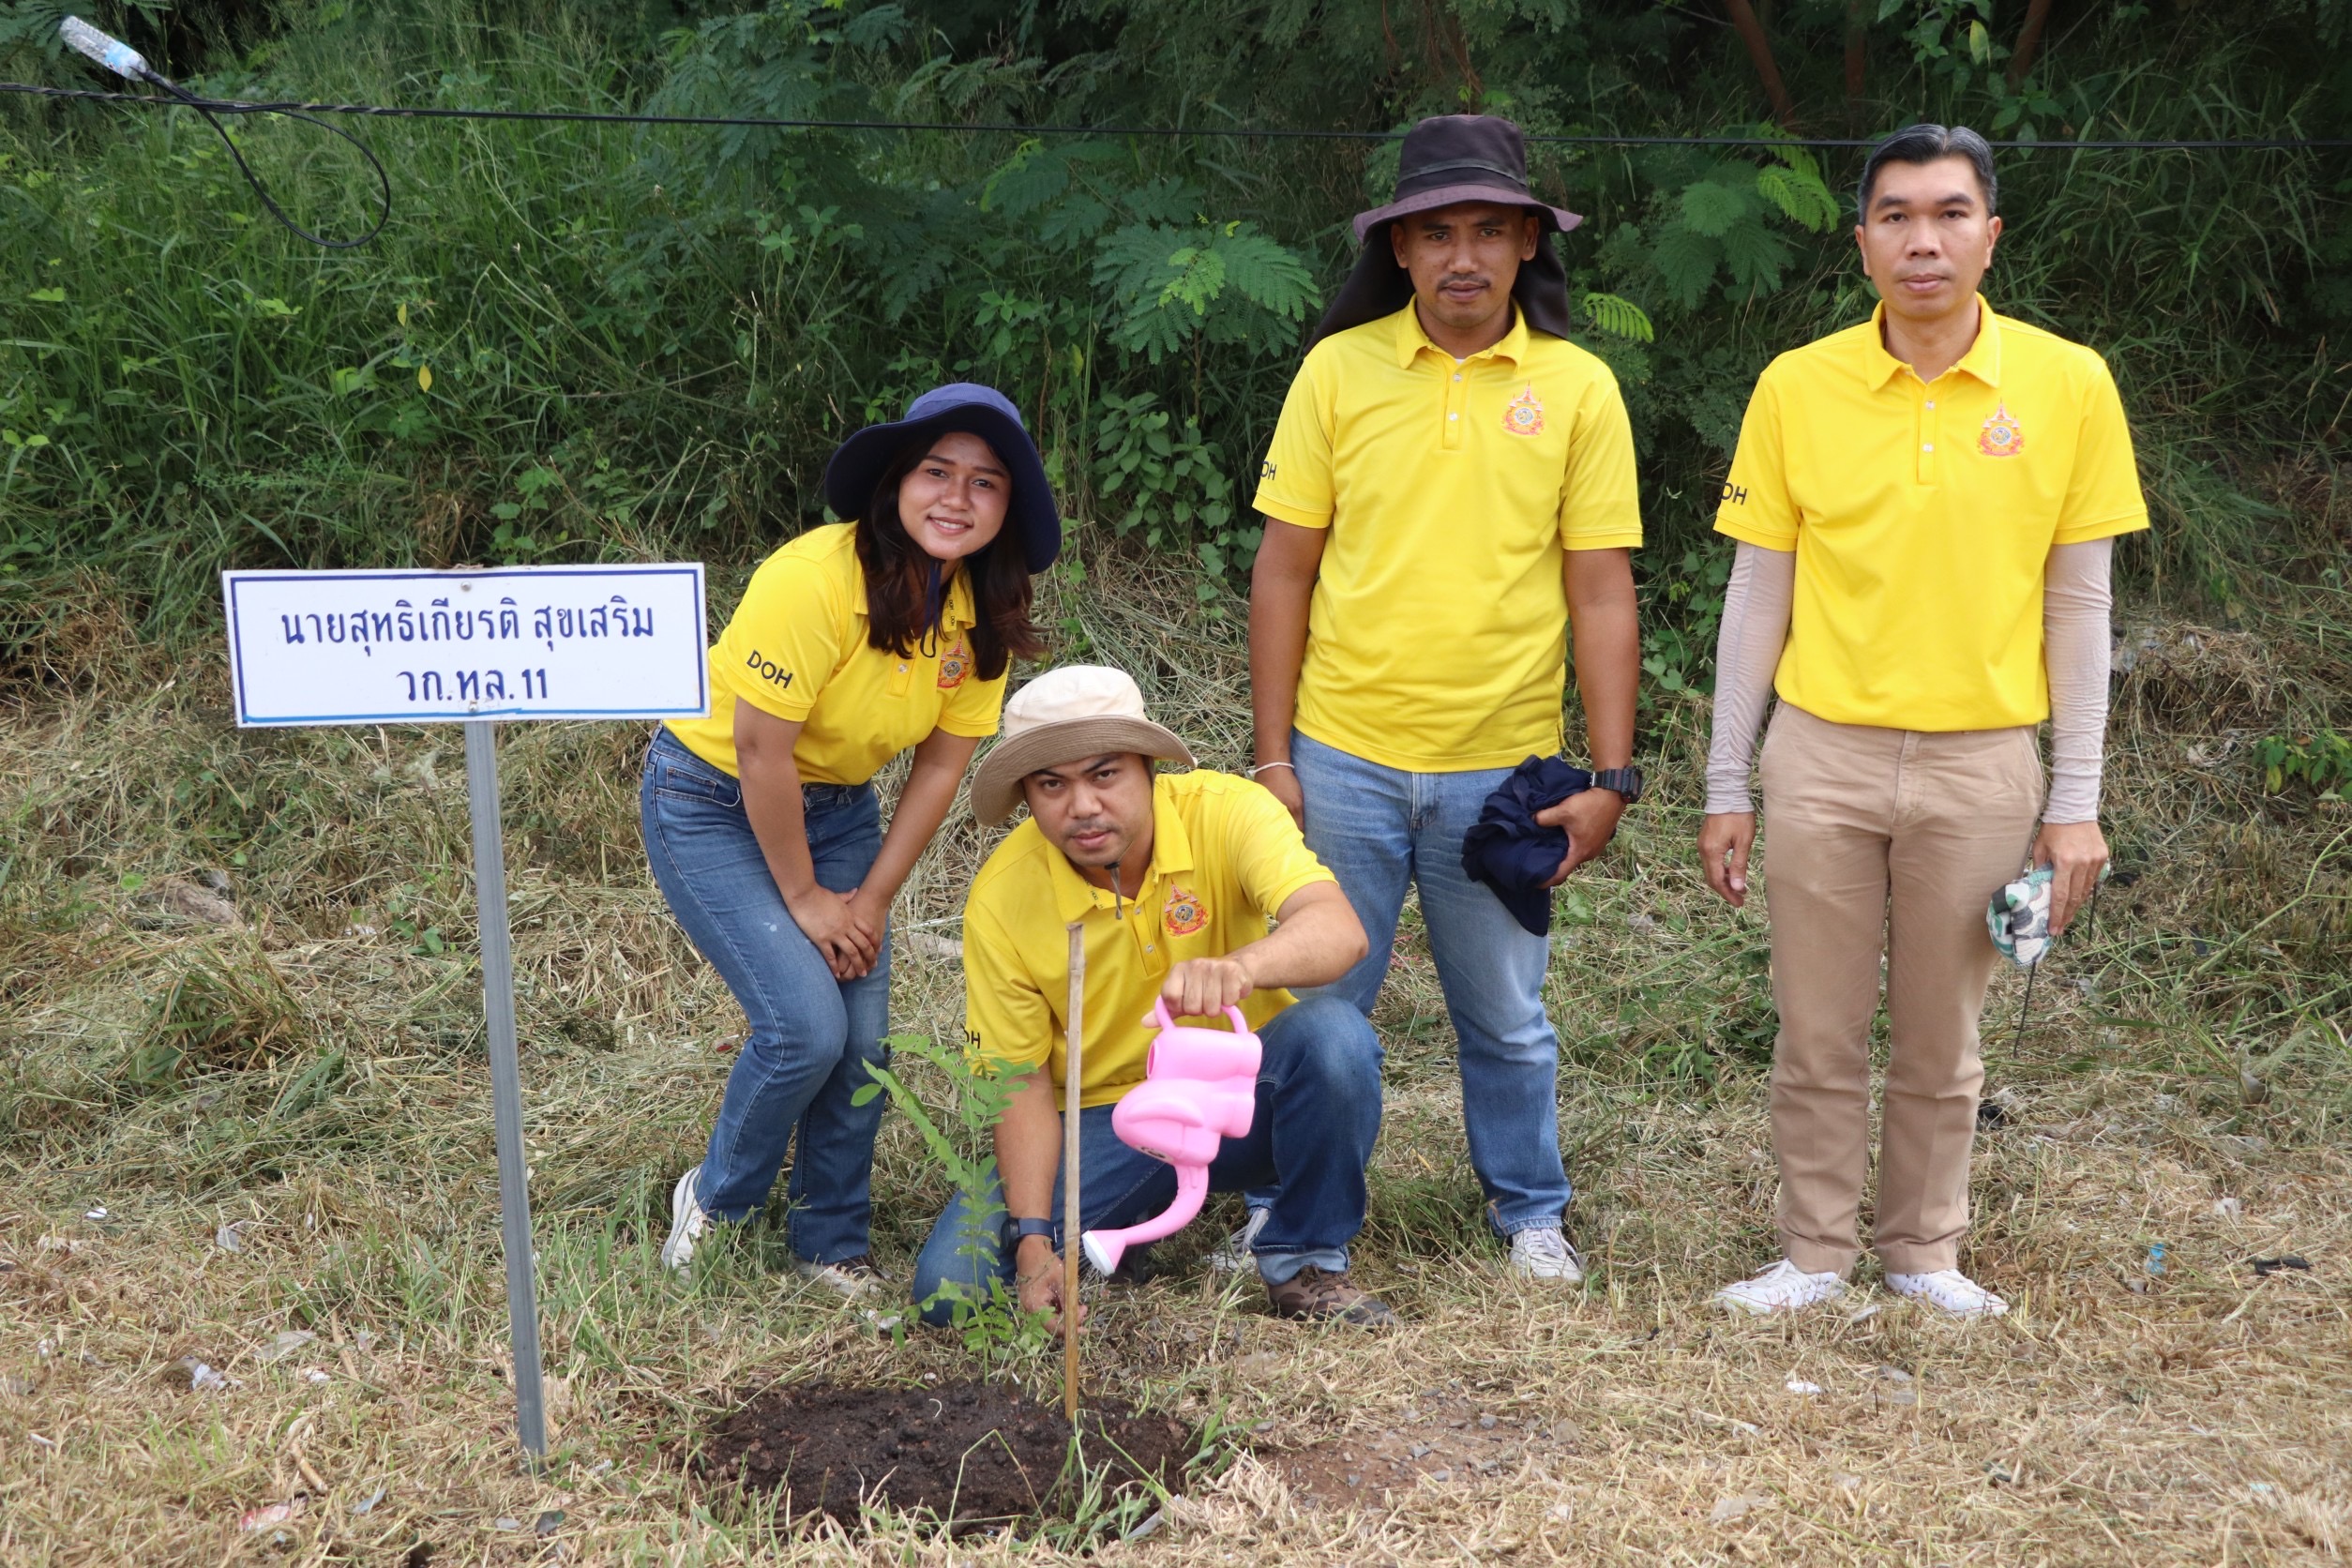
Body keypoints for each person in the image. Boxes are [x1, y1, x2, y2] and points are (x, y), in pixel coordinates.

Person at [1699, 126, 2147, 1318]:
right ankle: (1812, 1251)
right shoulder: (1799, 385)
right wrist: (1728, 780)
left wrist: (2076, 800)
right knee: (1817, 1027)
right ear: (1862, 244)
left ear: (1990, 236)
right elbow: (1758, 592)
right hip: (1822, 752)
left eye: (1950, 214)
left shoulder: (2068, 383)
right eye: (1895, 216)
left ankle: (1924, 1251)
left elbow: (2079, 602)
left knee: (1944, 1036)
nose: (1923, 241)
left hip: (1983, 761)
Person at [1246, 113, 1644, 1282]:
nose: (1462, 257)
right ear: (1400, 248)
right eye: (1435, 234)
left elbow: (1601, 590)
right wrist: (1275, 759)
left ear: (1527, 242)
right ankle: (1285, 1208)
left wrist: (1611, 775)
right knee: (1317, 1006)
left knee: (1509, 1018)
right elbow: (1283, 571)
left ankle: (1531, 1211)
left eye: (1486, 230)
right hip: (1342, 757)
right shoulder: (1339, 371)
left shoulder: (1579, 388)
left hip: (1502, 768)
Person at [644, 384, 1058, 1295]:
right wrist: (805, 899)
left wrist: (869, 899)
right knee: (804, 1027)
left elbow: (941, 768)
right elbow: (761, 750)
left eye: (985, 482)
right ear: (896, 481)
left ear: (1008, 507)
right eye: (937, 471)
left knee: (862, 1040)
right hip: (712, 795)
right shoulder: (814, 578)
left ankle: (829, 1239)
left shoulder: (978, 609)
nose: (957, 497)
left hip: (837, 812)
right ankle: (715, 1198)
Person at [910, 665, 1395, 1326]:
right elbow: (1019, 1081)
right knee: (952, 1291)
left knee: (1334, 1037)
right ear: (1026, 796)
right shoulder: (1003, 897)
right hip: (1101, 1124)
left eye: (1104, 774)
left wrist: (1243, 966)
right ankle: (1122, 1224)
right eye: (1052, 785)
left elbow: (1339, 931)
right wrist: (1032, 1244)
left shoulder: (1228, 811)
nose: (1083, 806)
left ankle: (1305, 1262)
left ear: (1149, 768)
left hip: (1236, 1101)